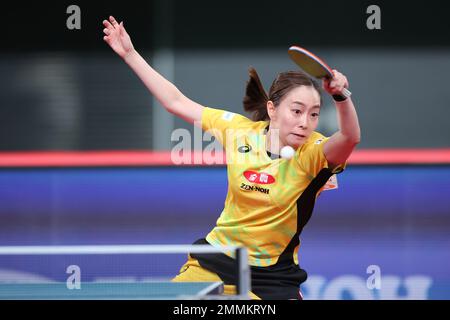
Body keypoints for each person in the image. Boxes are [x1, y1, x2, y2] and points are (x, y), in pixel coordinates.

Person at [102, 16, 361, 300]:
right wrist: (130, 53)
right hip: (218, 261)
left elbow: (349, 138)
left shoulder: (314, 153)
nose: (305, 122)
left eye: (313, 114)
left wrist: (341, 97)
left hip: (272, 275)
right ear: (272, 109)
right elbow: (175, 102)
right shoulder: (239, 132)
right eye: (296, 111)